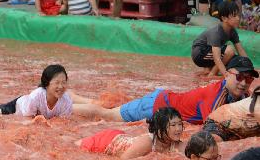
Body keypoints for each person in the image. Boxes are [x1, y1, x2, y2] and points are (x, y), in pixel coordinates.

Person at [75, 56, 256, 123]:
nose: (243, 82)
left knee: (109, 108)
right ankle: (64, 106)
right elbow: (212, 127)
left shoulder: (243, 94)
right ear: (226, 75)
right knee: (108, 115)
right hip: (156, 106)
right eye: (239, 77)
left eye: (248, 79)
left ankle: (72, 97)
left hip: (163, 101)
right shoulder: (215, 96)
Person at [78, 107, 184, 159]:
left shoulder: (177, 144)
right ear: (160, 129)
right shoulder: (148, 143)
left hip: (124, 138)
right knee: (75, 145)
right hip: (107, 142)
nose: (178, 129)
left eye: (180, 124)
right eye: (173, 125)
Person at [0, 64, 92, 117]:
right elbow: (27, 122)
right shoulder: (36, 96)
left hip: (32, 112)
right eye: (57, 83)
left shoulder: (66, 101)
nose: (61, 86)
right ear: (46, 84)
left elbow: (61, 123)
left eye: (63, 82)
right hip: (16, 107)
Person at [191, 0, 248, 77]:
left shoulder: (232, 31)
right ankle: (211, 74)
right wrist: (226, 75)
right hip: (199, 54)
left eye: (238, 15)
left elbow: (241, 51)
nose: (238, 18)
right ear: (224, 18)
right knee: (230, 51)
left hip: (209, 52)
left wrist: (250, 67)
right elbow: (216, 57)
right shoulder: (216, 32)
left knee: (236, 60)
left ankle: (208, 70)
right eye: (234, 16)